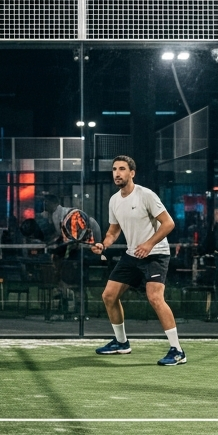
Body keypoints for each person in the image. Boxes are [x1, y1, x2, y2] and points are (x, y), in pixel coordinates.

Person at [90, 155, 184, 366]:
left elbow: (168, 224)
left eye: (122, 169)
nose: (117, 173)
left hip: (156, 253)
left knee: (155, 298)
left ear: (132, 173)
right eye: (114, 169)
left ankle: (177, 350)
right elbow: (114, 231)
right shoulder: (114, 200)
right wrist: (103, 245)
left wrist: (149, 244)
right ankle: (121, 343)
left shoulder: (146, 195)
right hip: (133, 255)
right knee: (108, 296)